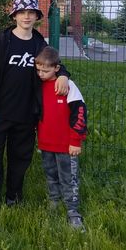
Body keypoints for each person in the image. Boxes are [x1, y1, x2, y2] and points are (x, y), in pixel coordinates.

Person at [0, 0, 70, 216]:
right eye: (22, 12)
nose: (26, 16)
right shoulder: (2, 41)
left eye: (31, 12)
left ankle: (13, 196)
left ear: (37, 16)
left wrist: (63, 75)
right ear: (14, 16)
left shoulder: (39, 44)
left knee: (20, 158)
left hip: (26, 113)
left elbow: (55, 64)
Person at [35, 46, 87, 231]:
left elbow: (79, 114)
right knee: (51, 175)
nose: (41, 74)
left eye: (45, 71)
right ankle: (54, 202)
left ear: (57, 68)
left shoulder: (68, 86)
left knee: (69, 178)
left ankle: (73, 211)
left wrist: (75, 141)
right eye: (38, 70)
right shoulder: (38, 86)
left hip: (66, 146)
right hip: (45, 143)